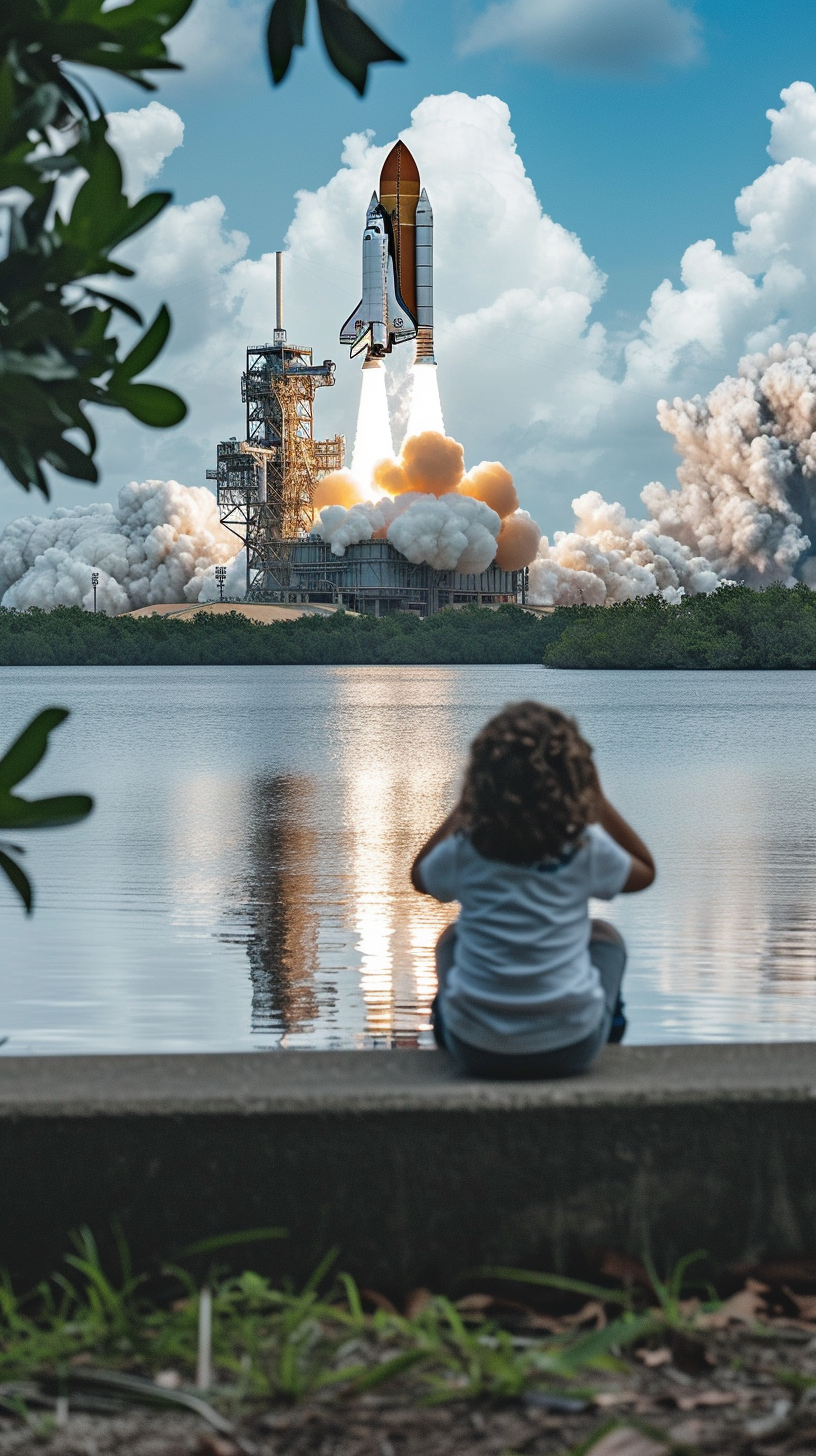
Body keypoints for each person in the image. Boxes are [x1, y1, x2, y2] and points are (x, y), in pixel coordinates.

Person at [411, 701, 655, 1080]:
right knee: (605, 936)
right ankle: (608, 1032)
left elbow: (419, 877)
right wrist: (599, 801)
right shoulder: (582, 846)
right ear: (572, 776)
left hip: (474, 1049)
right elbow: (646, 872)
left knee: (451, 937)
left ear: (482, 778)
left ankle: (453, 1016)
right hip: (572, 1047)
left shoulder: (466, 848)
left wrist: (465, 805)